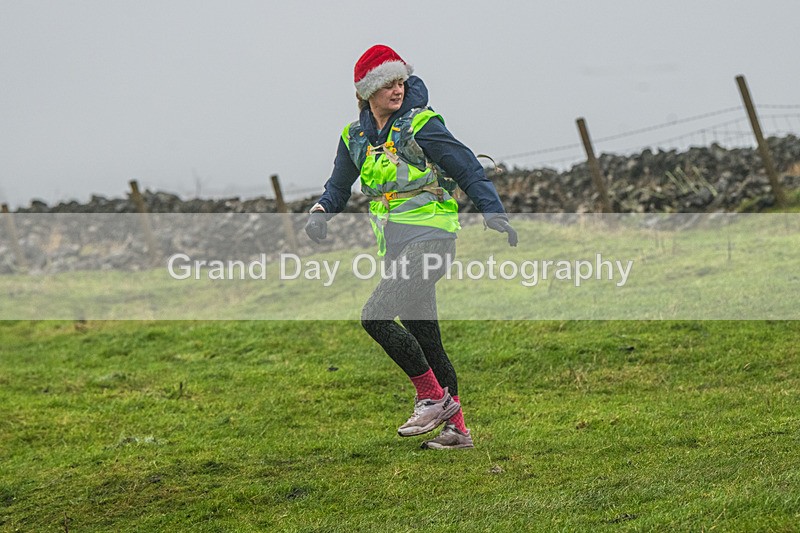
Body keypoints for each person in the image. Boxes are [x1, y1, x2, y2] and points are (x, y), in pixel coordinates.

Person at [305, 44, 517, 450]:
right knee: (426, 338)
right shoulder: (354, 137)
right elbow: (337, 185)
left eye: (400, 80)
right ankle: (458, 431)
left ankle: (431, 398)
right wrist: (321, 210)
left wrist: (493, 211)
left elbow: (467, 168)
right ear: (367, 92)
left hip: (433, 238)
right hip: (398, 247)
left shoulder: (422, 124)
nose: (397, 89)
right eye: (387, 84)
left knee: (375, 316)